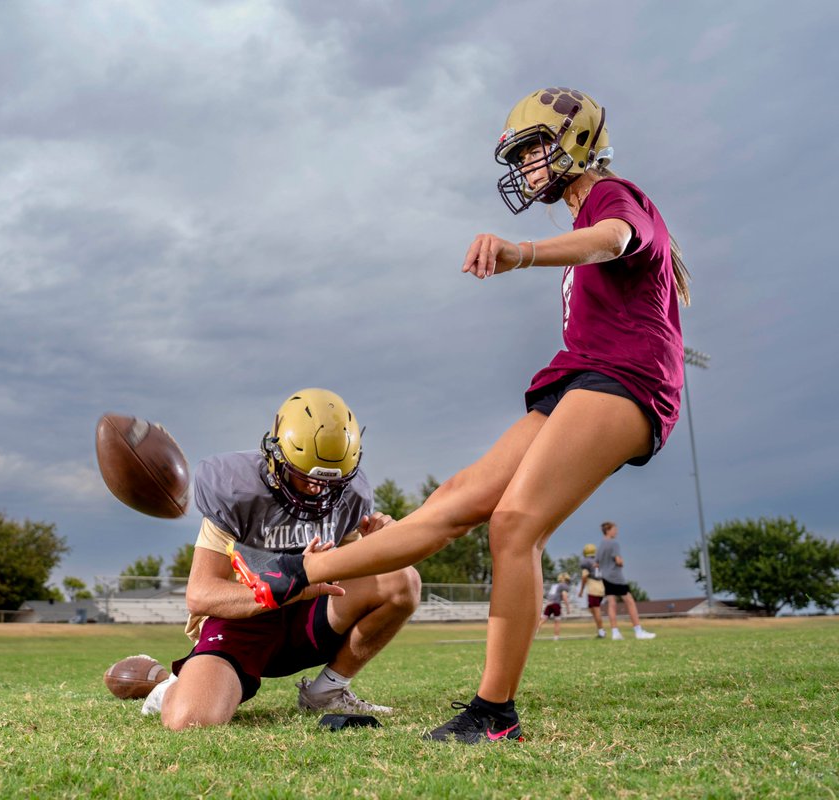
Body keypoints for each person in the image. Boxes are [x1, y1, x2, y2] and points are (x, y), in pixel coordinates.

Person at [227, 87, 689, 743]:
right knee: (453, 501)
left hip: (626, 380)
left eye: (533, 150)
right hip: (580, 377)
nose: (526, 168)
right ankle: (295, 573)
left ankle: (494, 714)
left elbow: (614, 241)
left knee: (514, 524)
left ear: (577, 144)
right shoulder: (585, 217)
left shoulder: (617, 198)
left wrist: (520, 251)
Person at [142, 388, 421, 730]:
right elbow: (200, 594)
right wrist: (288, 588)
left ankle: (327, 691)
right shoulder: (237, 490)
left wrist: (378, 548)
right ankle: (175, 685)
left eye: (330, 482)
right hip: (243, 624)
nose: (319, 491)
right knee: (190, 720)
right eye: (306, 477)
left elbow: (350, 569)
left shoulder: (352, 495)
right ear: (275, 455)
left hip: (309, 619)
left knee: (402, 579)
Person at [598, 521, 656, 640]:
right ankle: (638, 631)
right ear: (608, 530)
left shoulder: (601, 545)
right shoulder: (613, 544)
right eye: (614, 529)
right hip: (616, 577)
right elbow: (618, 560)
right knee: (629, 601)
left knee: (611, 604)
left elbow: (596, 563)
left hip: (605, 577)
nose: (616, 531)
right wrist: (621, 562)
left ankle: (615, 633)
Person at [578, 543, 607, 638]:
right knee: (591, 609)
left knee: (596, 610)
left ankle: (601, 632)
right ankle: (600, 630)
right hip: (601, 587)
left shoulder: (586, 562)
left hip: (593, 588)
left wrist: (581, 590)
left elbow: (584, 576)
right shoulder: (598, 561)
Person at [535, 573, 571, 640]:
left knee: (543, 619)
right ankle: (556, 637)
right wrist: (568, 608)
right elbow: (564, 596)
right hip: (556, 604)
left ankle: (534, 632)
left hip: (549, 603)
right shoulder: (564, 586)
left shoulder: (555, 585)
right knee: (557, 621)